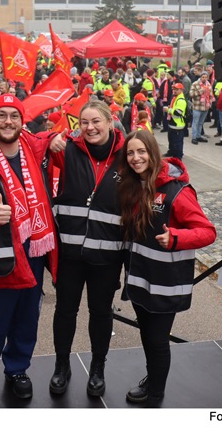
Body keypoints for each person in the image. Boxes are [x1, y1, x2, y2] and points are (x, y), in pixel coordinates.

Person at [0, 94, 66, 402]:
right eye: (1, 115)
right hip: (1, 257)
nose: (8, 121)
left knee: (26, 318)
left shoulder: (34, 149)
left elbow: (51, 137)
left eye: (14, 116)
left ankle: (18, 368)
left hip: (33, 252)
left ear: (22, 121)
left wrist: (56, 137)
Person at [117, 130, 215, 407]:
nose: (136, 158)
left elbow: (207, 232)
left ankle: (155, 396)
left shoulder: (177, 191)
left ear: (153, 153)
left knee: (158, 340)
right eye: (130, 153)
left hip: (165, 283)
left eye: (141, 152)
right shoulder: (135, 185)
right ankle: (153, 380)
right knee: (147, 336)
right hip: (141, 279)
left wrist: (176, 238)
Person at [48, 99, 126, 397]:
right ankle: (62, 365)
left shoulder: (126, 155)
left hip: (107, 255)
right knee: (65, 310)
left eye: (96, 121)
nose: (90, 127)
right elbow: (32, 143)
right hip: (70, 253)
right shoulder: (67, 150)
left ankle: (97, 367)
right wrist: (48, 137)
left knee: (100, 312)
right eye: (84, 123)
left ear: (110, 121)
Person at [164, 84, 187, 160]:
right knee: (172, 141)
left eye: (177, 89)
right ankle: (173, 153)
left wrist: (167, 110)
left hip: (177, 125)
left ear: (181, 90)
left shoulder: (180, 100)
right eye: (174, 89)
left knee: (177, 143)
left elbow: (178, 112)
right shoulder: (176, 98)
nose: (175, 91)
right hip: (173, 124)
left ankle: (178, 158)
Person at [189, 72, 212, 144]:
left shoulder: (208, 84)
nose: (204, 79)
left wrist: (210, 104)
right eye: (203, 77)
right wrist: (201, 91)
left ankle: (199, 136)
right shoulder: (195, 84)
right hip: (197, 107)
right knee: (195, 122)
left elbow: (211, 95)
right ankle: (194, 137)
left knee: (201, 123)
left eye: (206, 77)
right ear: (200, 77)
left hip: (205, 107)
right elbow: (191, 94)